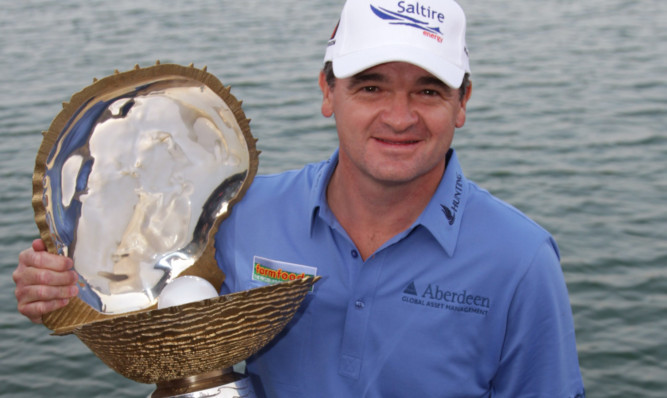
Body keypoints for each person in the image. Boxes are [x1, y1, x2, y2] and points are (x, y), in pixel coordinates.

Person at [13, 0, 585, 396]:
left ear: (462, 102)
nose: (399, 116)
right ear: (327, 91)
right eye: (370, 86)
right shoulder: (241, 214)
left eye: (428, 90)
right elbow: (155, 310)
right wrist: (62, 296)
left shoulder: (521, 260)